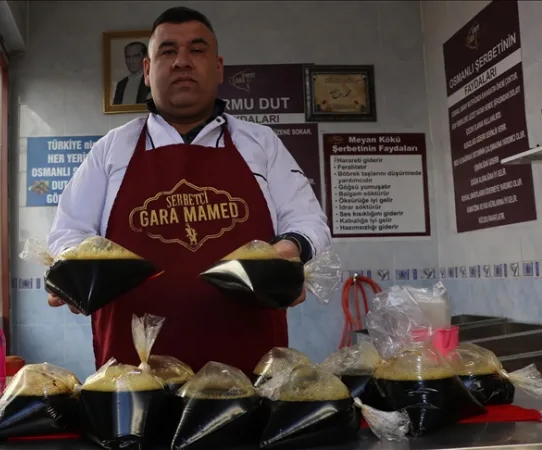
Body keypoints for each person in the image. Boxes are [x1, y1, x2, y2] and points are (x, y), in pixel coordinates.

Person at [47, 6, 331, 374]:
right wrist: (76, 272)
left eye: (197, 50)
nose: (182, 61)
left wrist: (289, 252)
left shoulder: (261, 143)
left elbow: (309, 222)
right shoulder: (111, 149)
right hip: (135, 374)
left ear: (218, 67)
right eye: (168, 51)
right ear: (147, 70)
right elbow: (68, 232)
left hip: (249, 368)